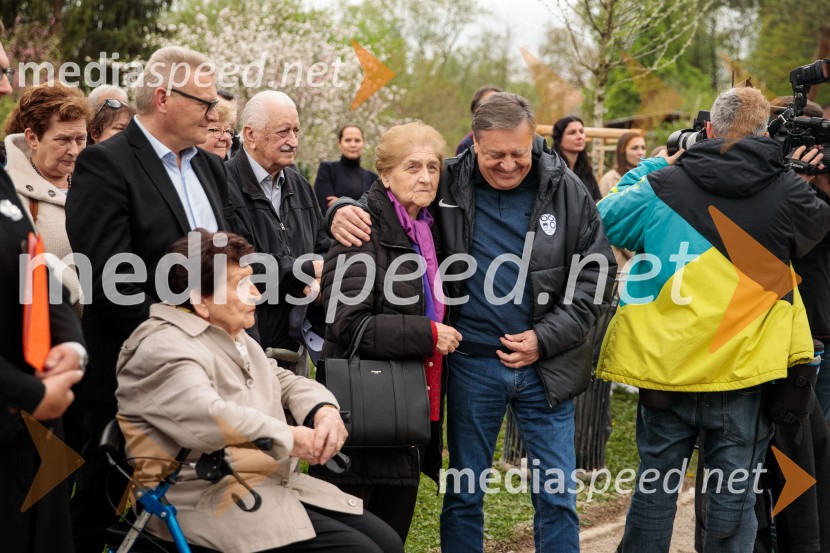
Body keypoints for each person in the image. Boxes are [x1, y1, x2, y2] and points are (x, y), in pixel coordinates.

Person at [329, 92, 616, 553]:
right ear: (474, 145)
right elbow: (388, 195)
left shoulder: (566, 190)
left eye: (518, 154)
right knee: (463, 495)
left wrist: (544, 339)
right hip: (472, 366)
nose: (506, 165)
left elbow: (594, 282)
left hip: (547, 367)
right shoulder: (450, 181)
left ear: (534, 140)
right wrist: (339, 208)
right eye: (494, 155)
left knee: (557, 495)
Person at [596, 87, 830, 553]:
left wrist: (659, 162)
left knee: (654, 492)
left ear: (706, 131)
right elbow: (816, 231)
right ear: (766, 133)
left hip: (666, 372)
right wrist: (803, 177)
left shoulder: (665, 184)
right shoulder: (786, 189)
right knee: (734, 500)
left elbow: (603, 217)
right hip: (743, 376)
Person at [115, 230, 403, 553]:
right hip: (207, 503)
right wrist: (294, 439)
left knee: (388, 543)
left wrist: (323, 409)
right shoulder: (162, 346)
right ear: (201, 300)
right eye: (240, 285)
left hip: (261, 487)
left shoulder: (228, 334)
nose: (256, 293)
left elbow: (278, 378)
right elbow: (209, 415)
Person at [65, 45, 228, 552]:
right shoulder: (105, 164)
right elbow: (110, 281)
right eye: (204, 101)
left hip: (209, 379)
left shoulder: (211, 168)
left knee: (181, 521)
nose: (215, 112)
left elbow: (234, 260)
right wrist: (187, 341)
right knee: (106, 520)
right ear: (163, 97)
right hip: (132, 385)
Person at [311, 122, 462, 542]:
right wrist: (427, 334)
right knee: (353, 543)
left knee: (392, 540)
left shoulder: (429, 231)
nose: (426, 177)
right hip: (361, 419)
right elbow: (347, 324)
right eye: (412, 167)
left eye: (433, 167)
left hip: (408, 416)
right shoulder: (361, 231)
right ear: (385, 174)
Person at [0, 37, 87, 553]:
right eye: (1, 71)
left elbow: (34, 265)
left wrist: (71, 345)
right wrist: (33, 394)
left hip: (45, 406)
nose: (7, 85)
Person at [223, 90, 330, 374]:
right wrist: (303, 270)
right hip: (248, 344)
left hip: (297, 345)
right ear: (250, 135)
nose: (293, 141)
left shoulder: (300, 185)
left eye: (296, 130)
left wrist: (320, 282)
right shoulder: (223, 185)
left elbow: (323, 245)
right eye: (283, 132)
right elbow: (239, 263)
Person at [4, 82, 92, 313]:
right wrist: (84, 296)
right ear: (32, 138)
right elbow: (22, 270)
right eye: (63, 140)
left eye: (80, 139)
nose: (74, 150)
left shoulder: (96, 184)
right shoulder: (9, 194)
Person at [313, 125, 377, 212]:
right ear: (339, 143)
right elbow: (328, 208)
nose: (353, 145)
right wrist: (361, 206)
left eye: (357, 140)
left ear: (363, 143)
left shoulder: (373, 178)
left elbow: (375, 212)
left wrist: (340, 202)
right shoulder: (327, 170)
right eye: (348, 140)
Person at [552, 115, 601, 200]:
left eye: (581, 132)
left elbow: (598, 201)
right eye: (572, 132)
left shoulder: (586, 172)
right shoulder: (552, 171)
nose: (579, 137)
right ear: (559, 140)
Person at [456, 85, 502, 155]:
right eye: (490, 106)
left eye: (500, 105)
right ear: (476, 111)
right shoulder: (466, 145)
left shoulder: (516, 139)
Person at [598, 132, 646, 197]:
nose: (641, 152)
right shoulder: (610, 179)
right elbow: (601, 205)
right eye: (634, 148)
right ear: (622, 151)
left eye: (643, 148)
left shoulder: (647, 176)